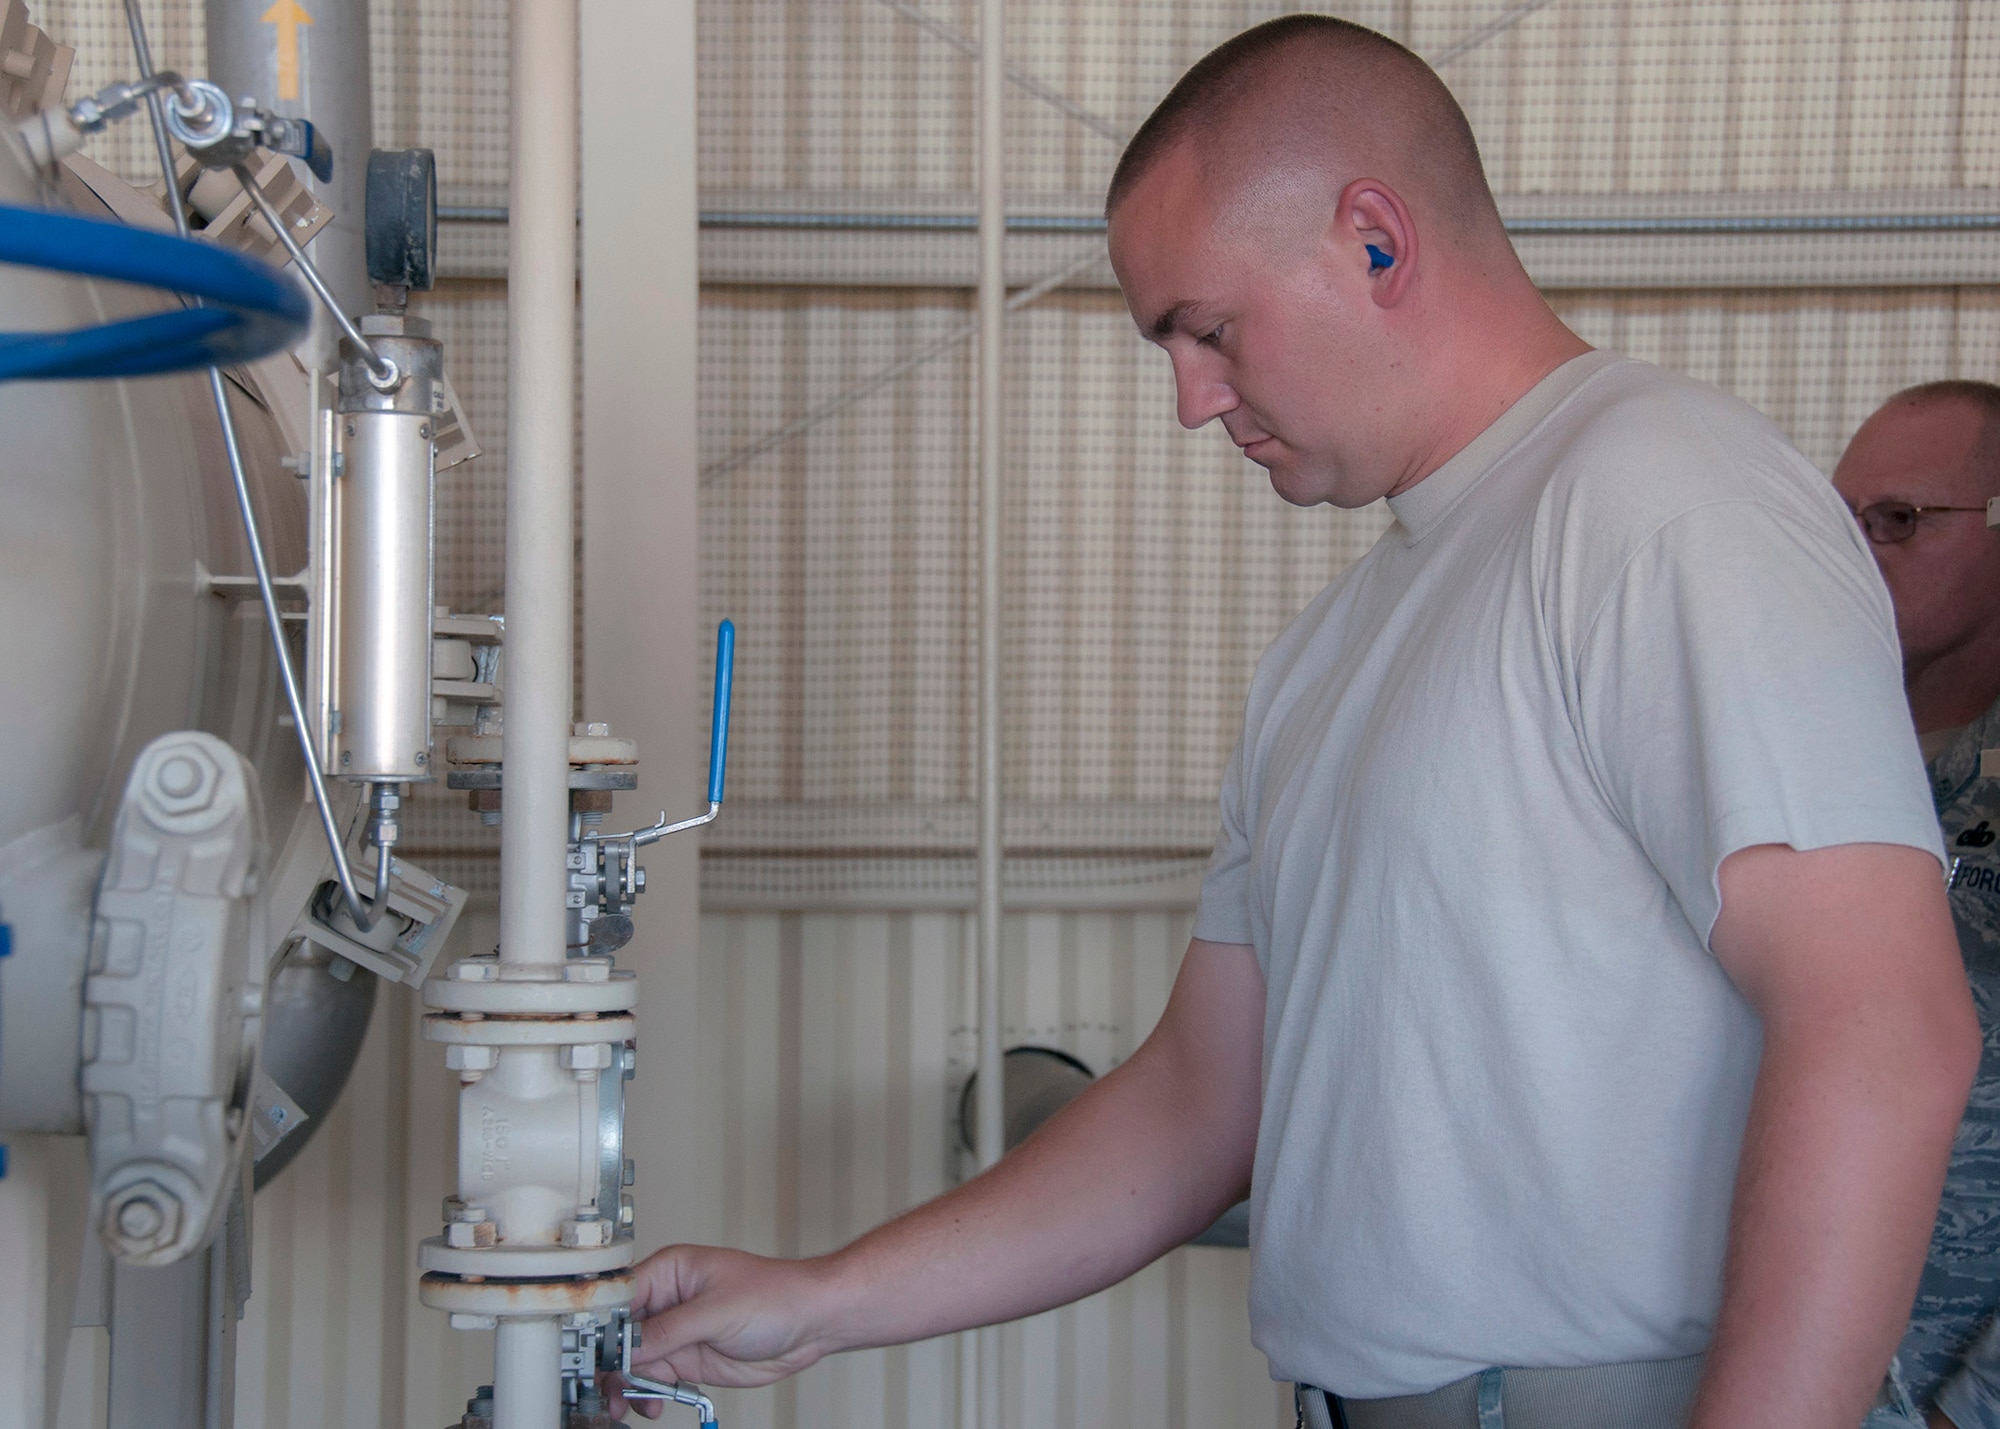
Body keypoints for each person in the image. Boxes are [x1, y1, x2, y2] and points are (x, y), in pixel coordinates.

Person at [616, 19, 1978, 1428]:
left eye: (1205, 330)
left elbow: (1880, 1026)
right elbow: (1205, 1098)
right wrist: (824, 1300)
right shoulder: (1335, 650)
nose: (1195, 402)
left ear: (1374, 242)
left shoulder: (1669, 505)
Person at [1834, 382, 2000, 1429]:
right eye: (1838, 523)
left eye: (1896, 521)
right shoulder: (1808, 761)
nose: (1854, 553)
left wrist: (1970, 1407)